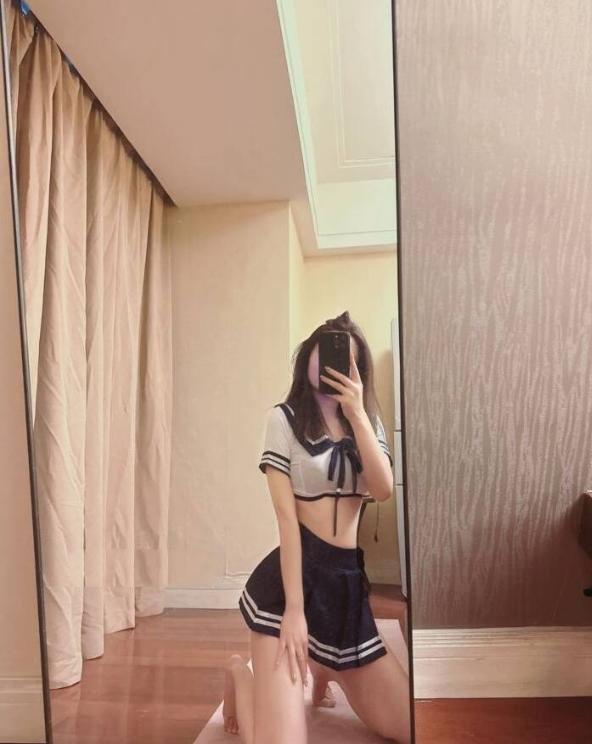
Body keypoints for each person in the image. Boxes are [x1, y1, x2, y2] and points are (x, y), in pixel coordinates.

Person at [222, 312, 411, 744]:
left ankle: (325, 665)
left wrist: (357, 413)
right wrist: (294, 611)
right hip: (291, 584)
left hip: (345, 589)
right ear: (308, 355)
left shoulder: (367, 422)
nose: (331, 361)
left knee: (409, 727)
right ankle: (238, 672)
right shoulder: (283, 420)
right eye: (323, 350)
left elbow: (382, 489)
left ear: (358, 369)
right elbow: (286, 521)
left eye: (346, 356)